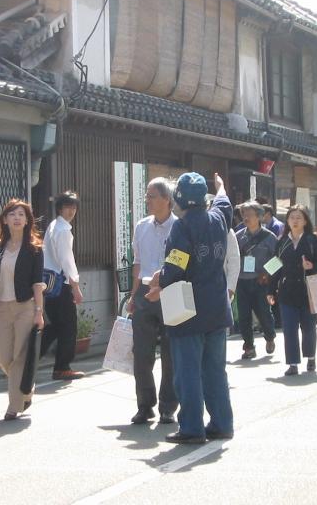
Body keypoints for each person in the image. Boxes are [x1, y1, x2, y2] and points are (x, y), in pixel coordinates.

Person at [147, 172, 234, 444]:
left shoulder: (182, 228)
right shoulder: (219, 219)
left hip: (188, 311)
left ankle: (192, 428)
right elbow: (224, 202)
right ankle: (222, 424)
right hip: (218, 309)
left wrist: (159, 282)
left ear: (178, 200)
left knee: (188, 373)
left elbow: (176, 266)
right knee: (215, 371)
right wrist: (220, 185)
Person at [0, 199, 45, 419]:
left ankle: (14, 406)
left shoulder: (34, 250)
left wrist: (38, 311)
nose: (17, 218)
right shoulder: (0, 250)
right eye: (12, 214)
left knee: (19, 356)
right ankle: (26, 389)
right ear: (5, 220)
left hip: (25, 306)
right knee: (4, 359)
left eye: (21, 215)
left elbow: (37, 283)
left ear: (27, 221)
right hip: (4, 308)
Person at [125, 178, 178, 425]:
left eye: (152, 195)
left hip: (171, 292)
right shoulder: (141, 226)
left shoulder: (180, 227)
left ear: (167, 199)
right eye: (146, 195)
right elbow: (137, 262)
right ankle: (145, 405)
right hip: (145, 294)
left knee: (171, 353)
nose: (147, 199)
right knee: (141, 353)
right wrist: (132, 295)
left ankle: (168, 406)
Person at [267, 205, 317, 376]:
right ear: (287, 221)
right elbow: (275, 267)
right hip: (287, 291)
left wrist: (311, 266)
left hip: (308, 291)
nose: (295, 220)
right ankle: (292, 363)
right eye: (292, 217)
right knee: (289, 328)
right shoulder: (282, 242)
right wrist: (270, 290)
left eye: (298, 217)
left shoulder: (312, 240)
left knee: (309, 327)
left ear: (305, 221)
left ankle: (310, 357)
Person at [41, 191, 85, 380]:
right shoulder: (63, 230)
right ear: (60, 208)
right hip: (62, 284)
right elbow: (67, 261)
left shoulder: (53, 226)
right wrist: (75, 286)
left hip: (49, 284)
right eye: (68, 206)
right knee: (68, 327)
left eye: (74, 207)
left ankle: (28, 357)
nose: (71, 211)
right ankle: (62, 367)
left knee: (55, 326)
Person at [235, 201, 278, 359]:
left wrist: (266, 273)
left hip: (261, 282)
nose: (246, 217)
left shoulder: (269, 237)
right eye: (243, 214)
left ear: (259, 217)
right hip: (242, 280)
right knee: (244, 315)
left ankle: (270, 336)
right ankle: (248, 346)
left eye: (249, 214)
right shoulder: (238, 236)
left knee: (263, 313)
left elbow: (278, 260)